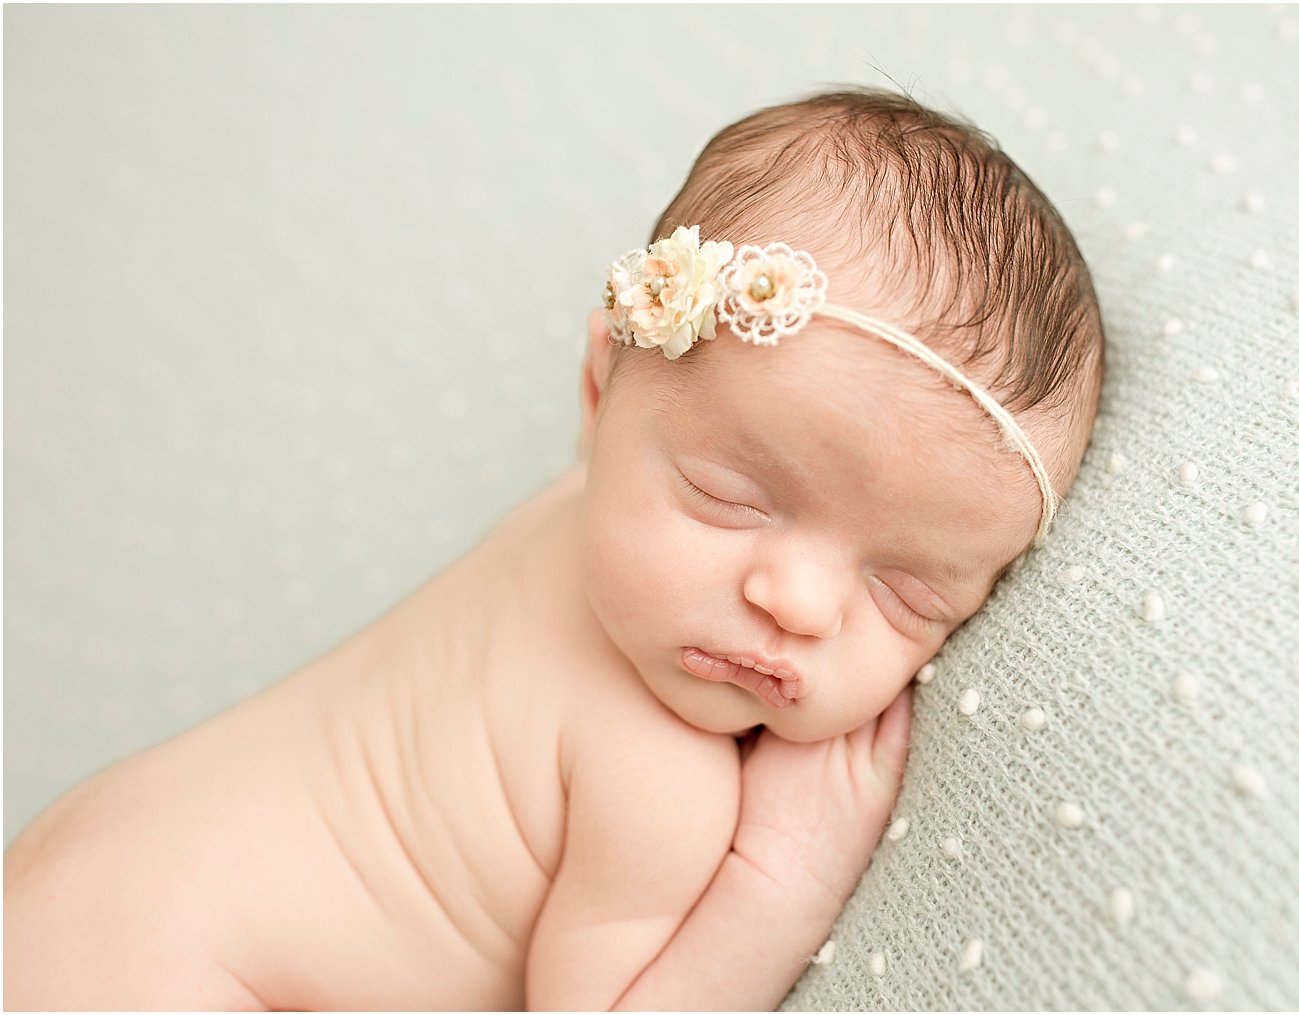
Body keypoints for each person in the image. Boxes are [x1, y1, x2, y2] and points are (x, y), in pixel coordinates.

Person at [4, 86, 1104, 1011]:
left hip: (86, 875)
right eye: (728, 497)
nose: (798, 602)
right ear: (595, 392)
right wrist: (781, 876)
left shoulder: (566, 511)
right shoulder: (659, 789)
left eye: (905, 591)